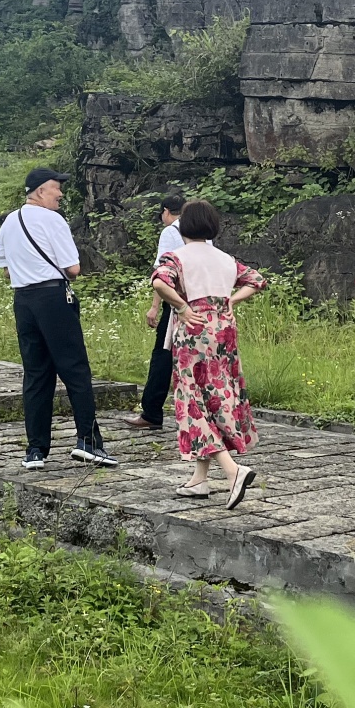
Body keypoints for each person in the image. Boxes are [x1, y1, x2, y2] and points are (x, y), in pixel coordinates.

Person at [0, 167, 115, 469]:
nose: (60, 194)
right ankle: (88, 441)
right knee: (75, 369)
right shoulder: (52, 220)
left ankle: (36, 450)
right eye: (55, 188)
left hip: (23, 301)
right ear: (39, 191)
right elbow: (73, 268)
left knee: (36, 373)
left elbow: (7, 270)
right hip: (53, 298)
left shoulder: (8, 222)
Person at [152, 199, 263, 508]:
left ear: (184, 226)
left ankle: (232, 471)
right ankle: (199, 480)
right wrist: (232, 300)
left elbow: (160, 282)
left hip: (194, 332)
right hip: (223, 330)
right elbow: (256, 280)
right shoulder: (226, 258)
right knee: (216, 396)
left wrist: (182, 306)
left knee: (191, 400)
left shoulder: (177, 257)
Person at [122, 193, 186, 433]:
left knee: (162, 354)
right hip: (199, 300)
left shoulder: (171, 231)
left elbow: (163, 273)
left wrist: (155, 305)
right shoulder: (200, 230)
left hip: (175, 301)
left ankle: (151, 412)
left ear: (167, 212)